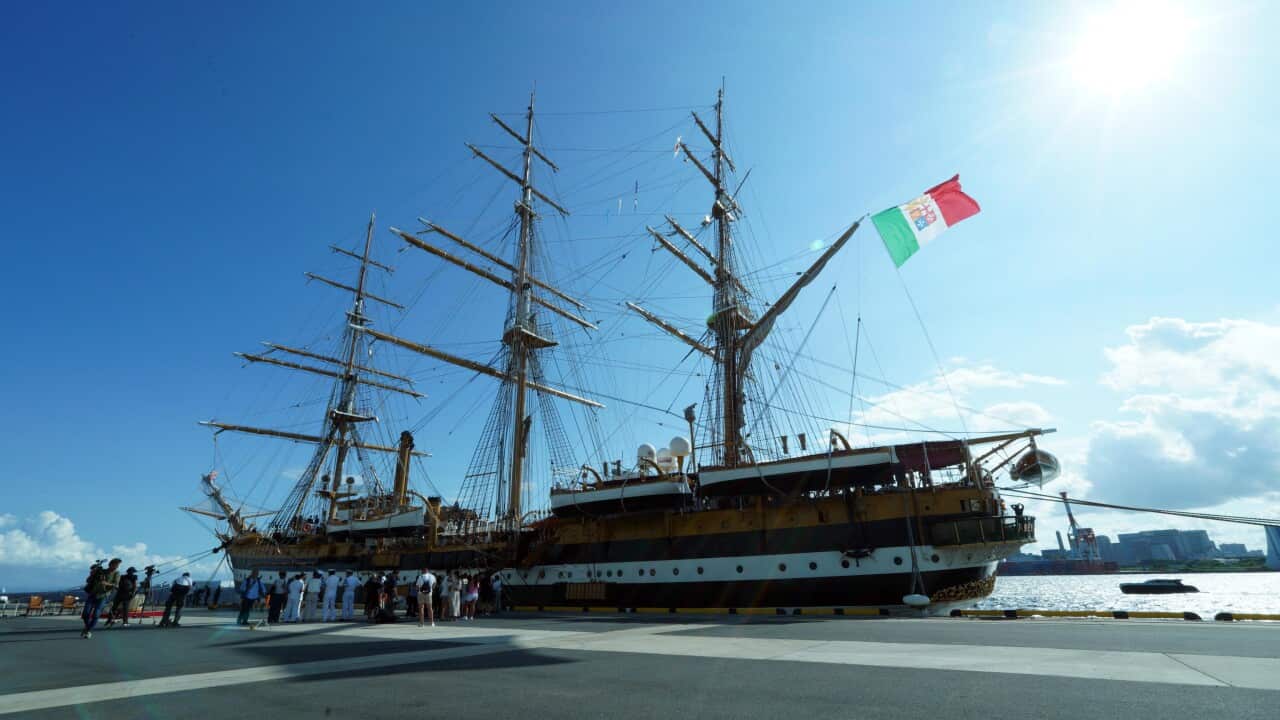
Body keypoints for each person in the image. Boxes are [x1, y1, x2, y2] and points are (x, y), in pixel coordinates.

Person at [81, 558, 121, 639]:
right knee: (85, 614)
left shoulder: (116, 573)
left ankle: (88, 630)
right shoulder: (101, 571)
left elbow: (116, 585)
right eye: (115, 565)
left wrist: (107, 583)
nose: (116, 567)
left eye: (117, 565)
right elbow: (88, 580)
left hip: (103, 596)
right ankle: (87, 627)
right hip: (93, 594)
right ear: (110, 564)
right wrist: (92, 574)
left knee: (96, 615)